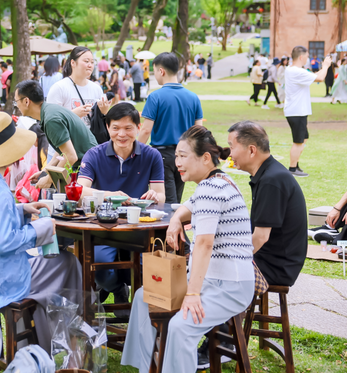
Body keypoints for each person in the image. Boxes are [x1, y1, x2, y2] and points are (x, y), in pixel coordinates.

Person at [121, 126, 254, 372]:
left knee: (181, 327)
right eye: (177, 155)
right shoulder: (215, 182)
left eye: (183, 156)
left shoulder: (212, 189)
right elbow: (186, 206)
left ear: (205, 158)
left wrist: (192, 295)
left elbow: (204, 243)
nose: (177, 162)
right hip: (208, 280)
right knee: (142, 297)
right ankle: (144, 367)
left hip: (229, 285)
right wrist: (174, 220)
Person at [0, 111, 82, 353]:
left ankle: (40, 340)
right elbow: (4, 242)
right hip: (1, 279)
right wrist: (41, 228)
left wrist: (22, 208)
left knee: (55, 262)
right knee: (67, 262)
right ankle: (65, 340)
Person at [77, 103, 165, 302]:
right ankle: (117, 289)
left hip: (139, 226)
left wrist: (154, 195)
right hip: (103, 226)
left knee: (150, 269)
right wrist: (109, 194)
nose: (121, 134)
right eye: (116, 128)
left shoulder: (152, 155)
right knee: (99, 268)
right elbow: (80, 191)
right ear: (107, 128)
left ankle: (141, 310)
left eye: (128, 128)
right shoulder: (94, 155)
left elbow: (161, 195)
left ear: (138, 128)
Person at [227, 121, 307, 287]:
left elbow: (260, 237)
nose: (230, 154)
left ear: (251, 150)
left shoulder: (272, 180)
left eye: (232, 147)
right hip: (270, 259)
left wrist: (233, 260)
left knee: (212, 272)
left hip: (276, 267)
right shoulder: (268, 174)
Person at [138, 52, 204, 204]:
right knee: (175, 200)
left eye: (155, 72)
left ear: (161, 71)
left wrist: (136, 151)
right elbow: (199, 131)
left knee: (167, 203)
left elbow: (146, 130)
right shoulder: (193, 97)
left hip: (162, 156)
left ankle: (175, 227)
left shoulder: (155, 97)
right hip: (185, 155)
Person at [13, 80, 98, 191]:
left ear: (26, 101)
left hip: (87, 168)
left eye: (16, 101)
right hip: (87, 165)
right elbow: (62, 149)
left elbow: (71, 156)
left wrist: (49, 179)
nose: (16, 105)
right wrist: (45, 171)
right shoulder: (49, 111)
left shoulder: (50, 120)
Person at [284, 46, 332, 177]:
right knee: (298, 141)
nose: (308, 59)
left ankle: (295, 165)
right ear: (301, 57)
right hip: (296, 112)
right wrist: (326, 65)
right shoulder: (296, 72)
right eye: (306, 56)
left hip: (297, 111)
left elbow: (314, 76)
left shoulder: (293, 70)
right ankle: (292, 169)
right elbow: (320, 78)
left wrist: (322, 68)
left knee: (304, 138)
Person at [46, 46, 108, 128]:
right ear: (73, 63)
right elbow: (50, 121)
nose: (90, 65)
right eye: (86, 61)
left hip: (93, 139)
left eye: (92, 62)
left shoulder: (96, 89)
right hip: (69, 140)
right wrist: (72, 114)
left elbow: (102, 122)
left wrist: (104, 112)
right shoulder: (59, 88)